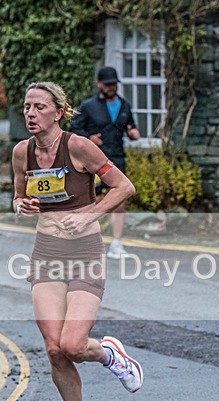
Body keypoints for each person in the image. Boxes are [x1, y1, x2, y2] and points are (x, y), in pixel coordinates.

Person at [12, 81, 143, 401]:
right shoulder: (22, 153)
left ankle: (109, 354)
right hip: (46, 252)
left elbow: (124, 187)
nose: (31, 114)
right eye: (27, 107)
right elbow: (20, 196)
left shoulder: (79, 147)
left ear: (59, 111)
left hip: (85, 251)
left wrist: (89, 215)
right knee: (54, 349)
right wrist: (20, 205)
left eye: (39, 107)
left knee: (72, 343)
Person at [70, 66, 141, 259]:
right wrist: (89, 138)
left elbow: (131, 127)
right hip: (94, 161)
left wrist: (134, 133)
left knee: (119, 201)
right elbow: (74, 129)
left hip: (117, 158)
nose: (111, 87)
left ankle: (116, 244)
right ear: (99, 84)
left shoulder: (124, 105)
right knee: (94, 201)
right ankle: (89, 243)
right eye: (108, 84)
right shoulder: (88, 106)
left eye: (114, 84)